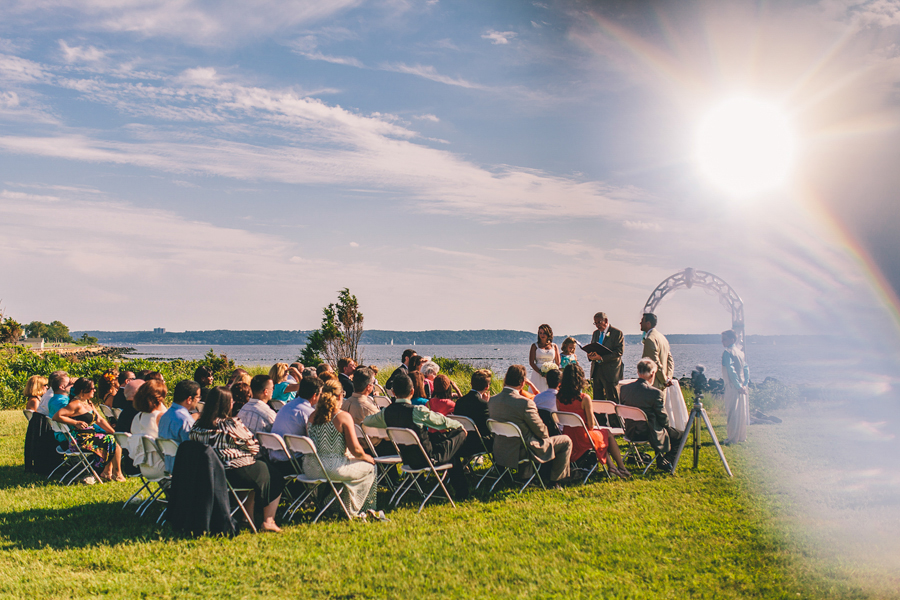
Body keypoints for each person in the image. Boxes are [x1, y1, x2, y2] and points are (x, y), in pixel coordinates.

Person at [191, 387, 283, 533]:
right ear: (227, 404)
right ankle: (268, 520)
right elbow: (253, 446)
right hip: (234, 471)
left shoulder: (197, 426)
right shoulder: (230, 424)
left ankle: (247, 518)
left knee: (252, 476)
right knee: (274, 476)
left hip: (211, 473)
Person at [363, 373, 469, 500]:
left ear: (393, 392)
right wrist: (460, 426)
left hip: (407, 457)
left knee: (445, 444)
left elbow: (367, 422)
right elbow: (442, 422)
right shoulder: (417, 411)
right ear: (412, 391)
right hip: (428, 458)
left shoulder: (386, 413)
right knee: (459, 435)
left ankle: (459, 489)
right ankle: (462, 492)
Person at [305, 380, 378, 519]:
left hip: (311, 467)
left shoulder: (312, 416)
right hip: (333, 467)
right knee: (370, 467)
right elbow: (356, 449)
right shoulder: (342, 416)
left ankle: (332, 504)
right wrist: (367, 457)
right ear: (340, 396)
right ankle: (360, 508)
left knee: (349, 470)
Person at [488, 365, 573, 485]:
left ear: (505, 379)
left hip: (501, 448)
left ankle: (526, 476)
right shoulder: (525, 403)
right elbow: (542, 432)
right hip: (524, 449)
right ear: (523, 383)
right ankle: (555, 480)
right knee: (566, 440)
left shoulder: (492, 400)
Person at [555, 363, 630, 478]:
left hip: (568, 436)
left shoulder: (558, 398)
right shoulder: (584, 398)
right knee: (607, 434)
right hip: (583, 438)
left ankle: (612, 467)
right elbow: (590, 425)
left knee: (602, 435)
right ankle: (621, 467)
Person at [53, 377, 124, 482]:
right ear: (83, 391)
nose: (94, 390)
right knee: (112, 440)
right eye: (92, 388)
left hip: (91, 436)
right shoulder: (75, 404)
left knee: (113, 437)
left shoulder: (88, 403)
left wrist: (113, 432)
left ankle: (108, 471)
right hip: (81, 440)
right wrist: (75, 422)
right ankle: (117, 473)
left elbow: (99, 420)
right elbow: (57, 416)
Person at [619, 358, 683, 472]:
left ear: (638, 372)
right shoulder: (655, 393)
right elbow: (663, 419)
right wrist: (666, 425)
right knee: (679, 435)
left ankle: (650, 457)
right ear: (653, 373)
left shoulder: (624, 389)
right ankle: (666, 460)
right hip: (649, 433)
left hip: (630, 431)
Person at [269, 376, 323, 463]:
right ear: (314, 396)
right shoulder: (309, 413)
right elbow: (318, 441)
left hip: (275, 456)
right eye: (320, 394)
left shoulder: (285, 407)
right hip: (293, 460)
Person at [342, 367, 392, 456]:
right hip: (372, 449)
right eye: (373, 384)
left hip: (350, 447)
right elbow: (387, 434)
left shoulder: (344, 404)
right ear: (368, 387)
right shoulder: (369, 409)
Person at [128, 380, 168, 479]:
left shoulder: (138, 417)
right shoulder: (161, 417)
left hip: (144, 466)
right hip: (163, 467)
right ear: (159, 398)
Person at [158, 380, 201, 472]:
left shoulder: (165, 416)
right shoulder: (185, 420)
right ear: (189, 399)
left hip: (168, 464)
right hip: (184, 467)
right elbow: (192, 448)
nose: (199, 400)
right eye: (198, 397)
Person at [587, 312, 625, 402]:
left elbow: (619, 352)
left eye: (599, 322)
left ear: (606, 321)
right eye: (595, 323)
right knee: (598, 400)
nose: (597, 325)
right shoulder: (595, 333)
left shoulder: (617, 333)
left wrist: (601, 358)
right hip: (597, 371)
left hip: (610, 372)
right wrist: (590, 355)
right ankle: (599, 416)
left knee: (612, 399)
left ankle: (614, 416)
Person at [721, 329, 750, 444]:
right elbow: (746, 369)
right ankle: (742, 436)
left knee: (732, 412)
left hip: (733, 386)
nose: (722, 342)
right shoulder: (740, 352)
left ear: (731, 339)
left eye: (724, 339)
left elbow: (730, 370)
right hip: (742, 385)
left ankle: (732, 438)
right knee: (741, 413)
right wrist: (745, 384)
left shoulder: (727, 352)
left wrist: (738, 385)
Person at [453, 369, 493, 451]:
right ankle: (497, 463)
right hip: (477, 444)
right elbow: (487, 428)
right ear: (487, 387)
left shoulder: (460, 402)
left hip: (461, 442)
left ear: (471, 384)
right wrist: (487, 404)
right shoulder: (483, 404)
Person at [640, 313, 674, 391]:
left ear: (648, 324)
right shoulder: (662, 337)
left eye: (642, 321)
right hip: (662, 385)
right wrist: (668, 377)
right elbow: (670, 361)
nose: (640, 323)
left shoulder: (650, 340)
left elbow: (655, 363)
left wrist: (665, 380)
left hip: (653, 385)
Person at [529, 324, 560, 394]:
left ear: (548, 334)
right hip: (538, 373)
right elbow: (531, 362)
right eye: (540, 333)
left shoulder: (554, 346)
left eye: (544, 333)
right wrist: (541, 373)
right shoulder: (535, 346)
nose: (542, 335)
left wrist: (553, 372)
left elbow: (558, 362)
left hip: (551, 373)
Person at [532, 367, 562, 435]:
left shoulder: (537, 398)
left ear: (547, 381)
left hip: (541, 431)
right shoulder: (561, 399)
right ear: (560, 383)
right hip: (557, 432)